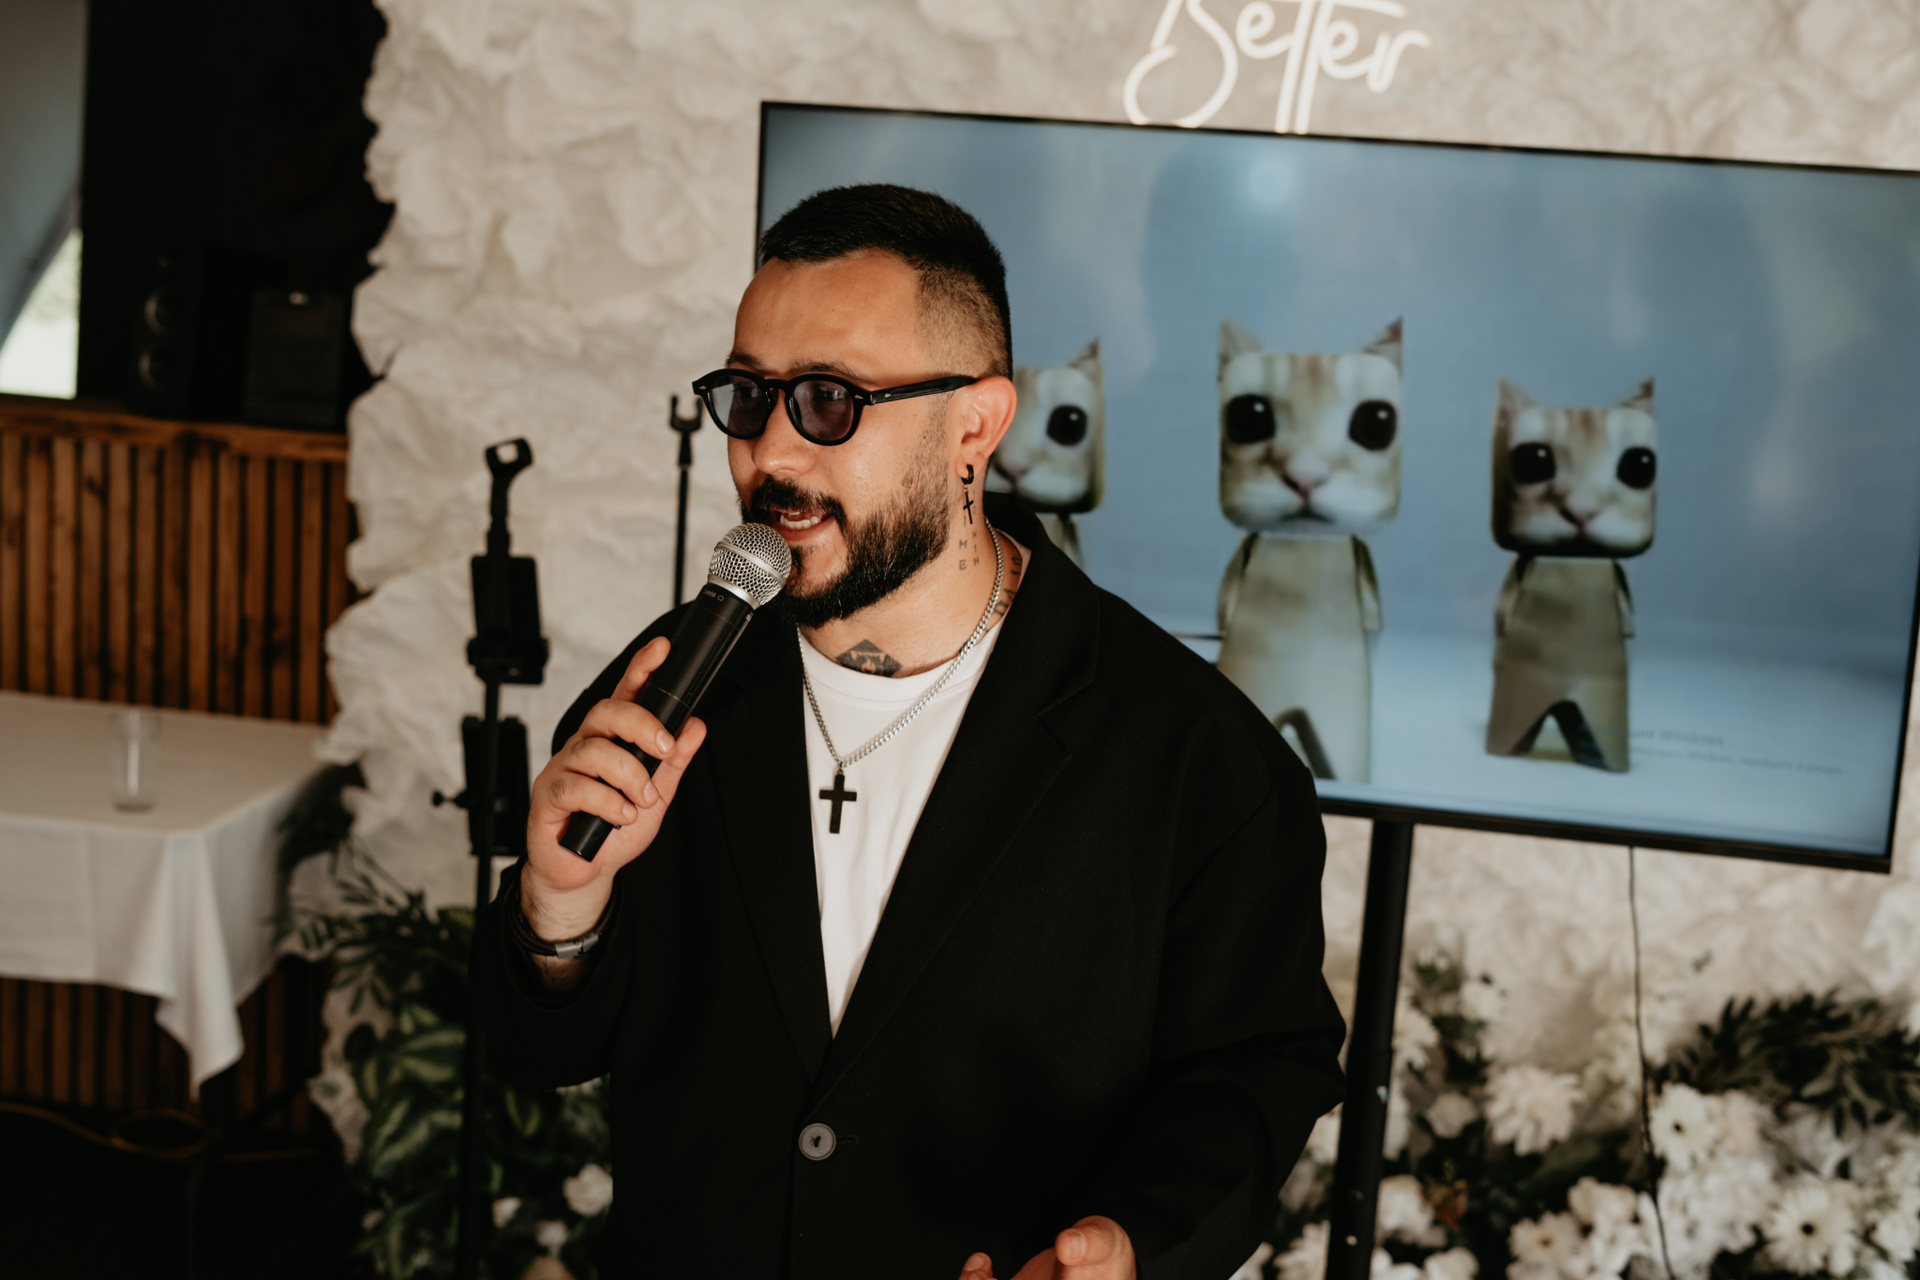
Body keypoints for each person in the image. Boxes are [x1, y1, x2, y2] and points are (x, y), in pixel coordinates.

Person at [472, 184, 1345, 1280]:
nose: (770, 452)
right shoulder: (666, 688)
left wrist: (1133, 1244)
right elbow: (543, 1048)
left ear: (974, 425)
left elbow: (1255, 1069)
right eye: (749, 397)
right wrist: (559, 906)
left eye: (829, 401)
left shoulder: (1194, 755)